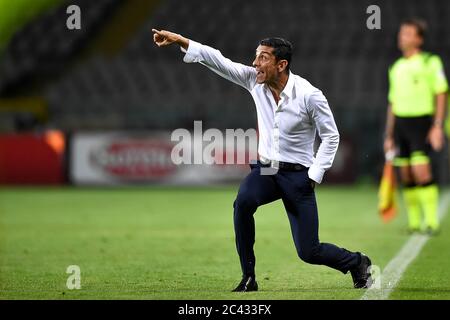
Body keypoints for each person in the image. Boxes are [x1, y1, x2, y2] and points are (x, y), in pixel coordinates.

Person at [152, 28, 372, 291]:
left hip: (298, 176)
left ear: (282, 64)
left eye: (263, 58)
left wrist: (314, 176)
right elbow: (219, 60)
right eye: (256, 57)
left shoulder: (309, 95)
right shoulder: (254, 81)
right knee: (243, 202)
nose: (255, 63)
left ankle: (357, 262)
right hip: (267, 171)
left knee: (309, 251)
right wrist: (182, 41)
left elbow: (331, 137)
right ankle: (248, 277)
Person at [384, 18, 448, 235]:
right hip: (401, 124)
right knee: (406, 173)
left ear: (419, 39)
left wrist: (438, 125)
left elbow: (441, 92)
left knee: (421, 170)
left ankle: (430, 221)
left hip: (421, 122)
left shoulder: (431, 61)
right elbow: (392, 102)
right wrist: (389, 134)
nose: (402, 37)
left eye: (408, 33)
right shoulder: (396, 66)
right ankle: (414, 222)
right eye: (401, 33)